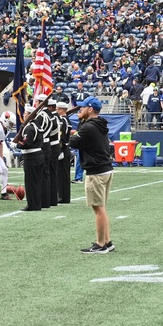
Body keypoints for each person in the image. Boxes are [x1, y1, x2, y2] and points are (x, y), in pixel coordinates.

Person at [69, 97, 114, 253]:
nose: (79, 110)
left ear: (89, 109)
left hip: (97, 171)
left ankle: (100, 244)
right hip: (105, 168)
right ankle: (107, 241)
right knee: (101, 207)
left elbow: (73, 142)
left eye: (82, 108)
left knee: (98, 208)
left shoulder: (88, 127)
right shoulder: (98, 124)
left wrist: (74, 132)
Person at [14, 103, 48, 211]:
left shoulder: (29, 128)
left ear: (29, 115)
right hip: (38, 155)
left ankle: (32, 205)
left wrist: (16, 145)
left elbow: (26, 143)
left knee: (30, 182)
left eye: (25, 113)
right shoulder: (37, 125)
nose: (23, 115)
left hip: (31, 157)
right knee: (37, 182)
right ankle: (37, 204)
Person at [56, 101, 73, 203]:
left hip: (63, 149)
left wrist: (60, 149)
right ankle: (64, 197)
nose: (56, 110)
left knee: (62, 175)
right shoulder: (65, 120)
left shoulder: (63, 121)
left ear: (62, 110)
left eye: (58, 109)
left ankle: (62, 197)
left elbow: (62, 136)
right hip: (64, 149)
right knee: (63, 174)